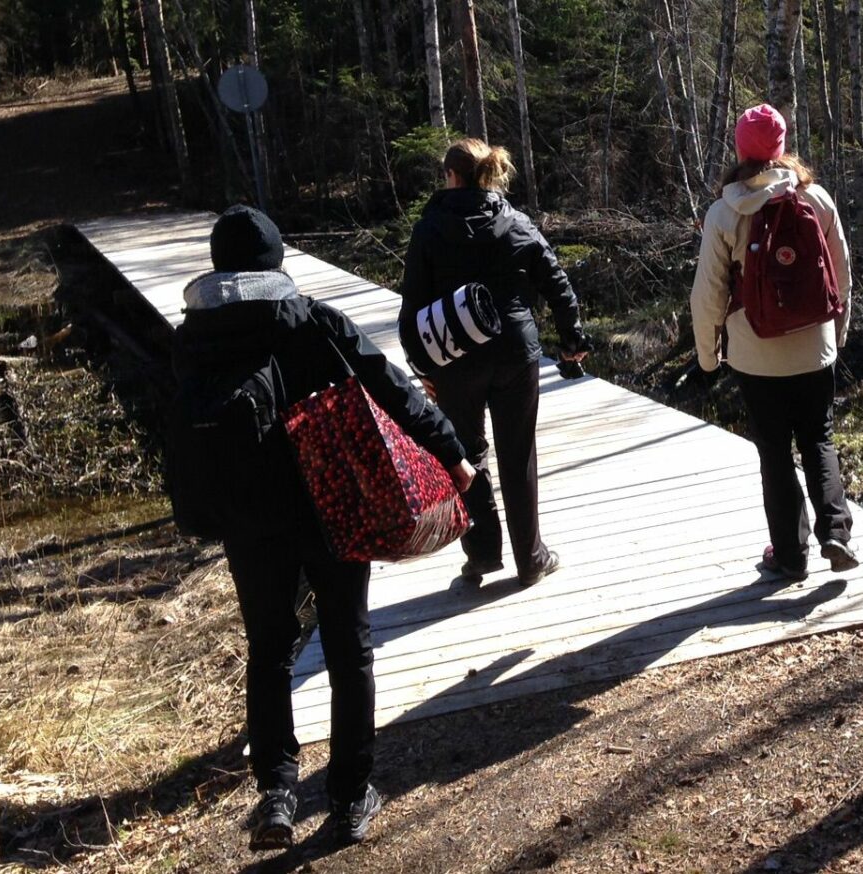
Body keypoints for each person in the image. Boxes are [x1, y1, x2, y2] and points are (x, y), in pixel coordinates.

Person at [165, 205, 476, 849]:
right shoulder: (310, 319)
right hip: (330, 503)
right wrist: (450, 451)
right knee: (347, 646)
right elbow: (391, 387)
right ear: (278, 259)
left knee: (270, 649)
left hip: (245, 516)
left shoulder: (191, 337)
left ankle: (276, 792)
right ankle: (349, 794)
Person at [395, 138, 588, 586]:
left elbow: (412, 307)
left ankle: (482, 554)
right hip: (515, 353)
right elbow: (554, 278)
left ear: (452, 176)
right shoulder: (514, 221)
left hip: (455, 357)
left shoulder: (429, 228)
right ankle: (531, 558)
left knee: (465, 452)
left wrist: (422, 366)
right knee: (517, 452)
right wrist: (572, 336)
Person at [688, 105, 860, 582]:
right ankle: (836, 532)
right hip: (814, 347)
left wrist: (707, 356)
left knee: (775, 453)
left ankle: (789, 555)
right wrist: (836, 335)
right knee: (819, 439)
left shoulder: (725, 212)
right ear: (783, 149)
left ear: (740, 150)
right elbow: (841, 276)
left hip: (754, 354)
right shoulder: (818, 200)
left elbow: (707, 295)